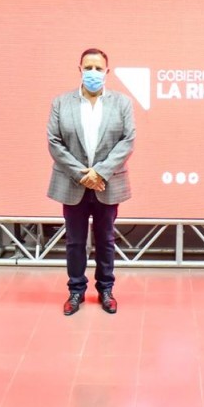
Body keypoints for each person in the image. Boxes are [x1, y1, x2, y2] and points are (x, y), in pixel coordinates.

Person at [46, 48, 135, 316]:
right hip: (73, 183)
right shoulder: (61, 103)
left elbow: (127, 141)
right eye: (88, 67)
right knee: (74, 241)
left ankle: (106, 289)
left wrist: (100, 173)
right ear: (80, 70)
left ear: (107, 71)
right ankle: (76, 290)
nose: (93, 72)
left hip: (107, 183)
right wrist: (82, 174)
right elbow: (54, 142)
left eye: (98, 68)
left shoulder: (122, 103)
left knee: (106, 239)